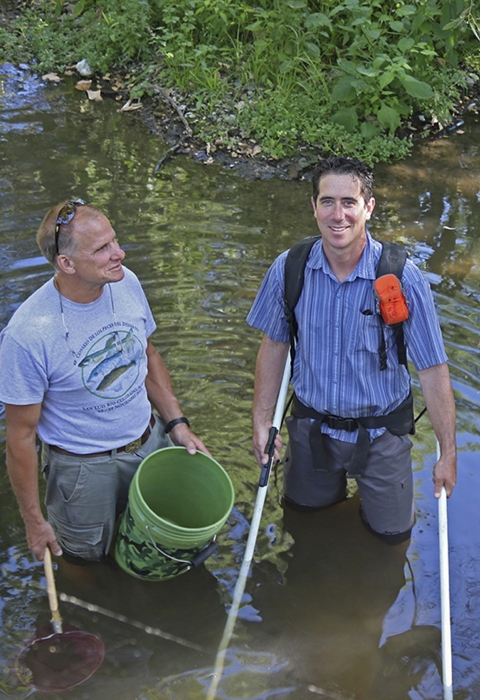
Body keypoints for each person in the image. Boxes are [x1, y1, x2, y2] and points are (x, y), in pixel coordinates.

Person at [247, 156, 456, 545]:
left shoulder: (400, 278)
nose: (337, 214)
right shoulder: (289, 268)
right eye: (327, 201)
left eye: (349, 202)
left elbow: (432, 368)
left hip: (382, 434)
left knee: (391, 538)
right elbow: (274, 345)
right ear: (313, 207)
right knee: (303, 523)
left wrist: (447, 452)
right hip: (311, 429)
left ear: (368, 207)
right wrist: (262, 421)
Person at [0, 199, 208, 564]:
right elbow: (19, 436)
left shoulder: (126, 283)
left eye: (114, 241)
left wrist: (177, 423)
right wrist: (33, 521)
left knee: (163, 545)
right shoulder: (28, 334)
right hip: (82, 469)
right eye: (102, 249)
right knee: (82, 561)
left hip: (148, 442)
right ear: (67, 263)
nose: (120, 253)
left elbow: (148, 355)